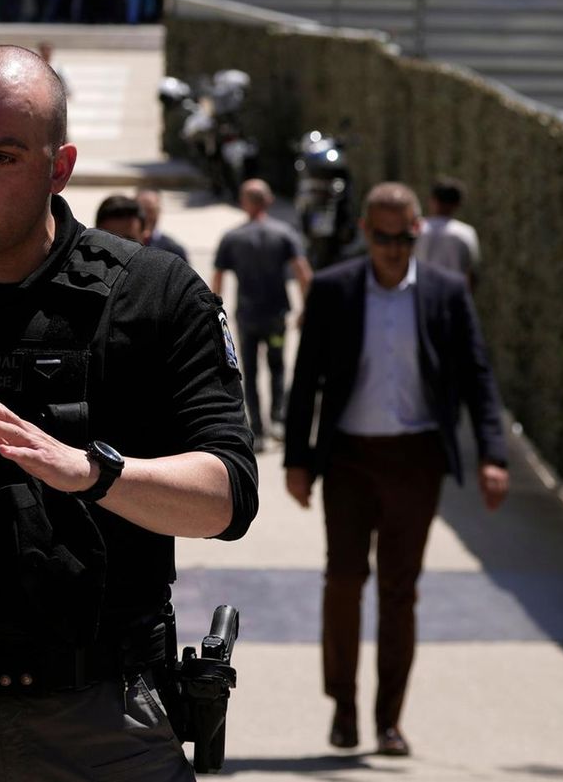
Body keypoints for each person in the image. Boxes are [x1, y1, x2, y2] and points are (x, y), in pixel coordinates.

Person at [0, 45, 258, 781]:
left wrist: (93, 473)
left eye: (2, 157)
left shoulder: (154, 295)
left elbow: (227, 497)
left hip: (105, 719)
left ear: (60, 167)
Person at [283, 182, 510, 758]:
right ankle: (343, 704)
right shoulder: (334, 289)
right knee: (343, 581)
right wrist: (297, 460)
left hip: (416, 460)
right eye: (381, 238)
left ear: (417, 232)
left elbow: (477, 374)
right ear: (365, 232)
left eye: (402, 238)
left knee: (399, 591)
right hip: (349, 459)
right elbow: (306, 378)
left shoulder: (446, 292)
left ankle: (389, 720)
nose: (392, 249)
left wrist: (493, 454)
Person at [210, 178, 313, 446]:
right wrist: (308, 308)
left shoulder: (232, 237)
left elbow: (217, 278)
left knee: (250, 370)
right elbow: (303, 273)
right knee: (277, 365)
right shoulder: (284, 233)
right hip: (276, 316)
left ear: (244, 202)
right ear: (269, 201)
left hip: (248, 318)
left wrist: (213, 315)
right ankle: (278, 419)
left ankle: (257, 428)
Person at [414, 177, 481, 290]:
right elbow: (472, 272)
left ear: (432, 200)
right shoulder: (466, 233)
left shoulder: (417, 228)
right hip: (453, 294)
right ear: (457, 204)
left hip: (419, 292)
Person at [136, 187, 190, 260]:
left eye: (150, 210)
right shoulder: (123, 245)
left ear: (159, 211)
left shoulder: (173, 250)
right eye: (141, 211)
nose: (145, 216)